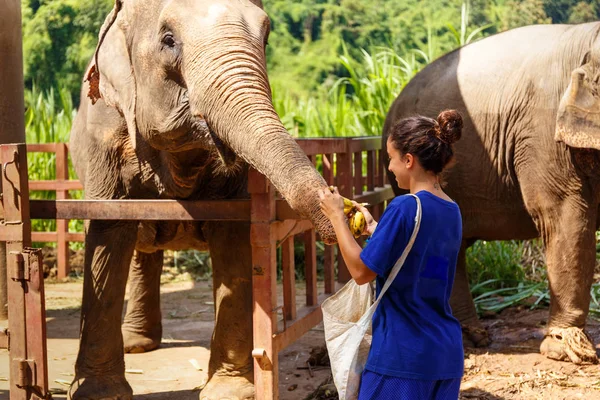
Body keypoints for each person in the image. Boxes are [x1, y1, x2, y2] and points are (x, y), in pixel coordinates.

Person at [318, 109, 465, 400]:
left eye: (391, 158)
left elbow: (361, 272)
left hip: (402, 358)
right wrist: (376, 228)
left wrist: (336, 217)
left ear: (409, 160)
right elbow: (419, 254)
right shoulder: (452, 210)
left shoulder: (404, 207)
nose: (390, 166)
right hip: (446, 355)